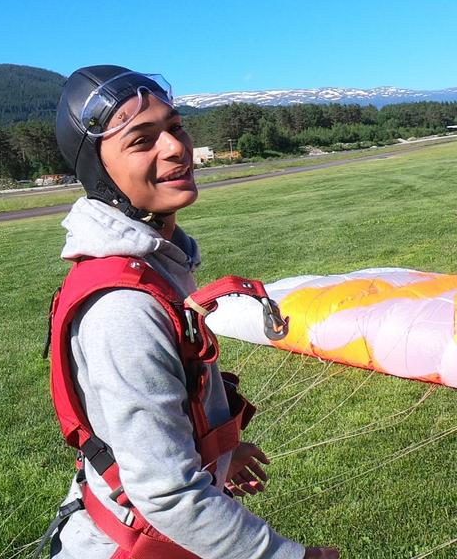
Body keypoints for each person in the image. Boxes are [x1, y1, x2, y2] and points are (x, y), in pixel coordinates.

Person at [46, 65, 339, 559]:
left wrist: (218, 452)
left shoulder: (155, 263)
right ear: (101, 172)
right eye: (141, 141)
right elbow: (167, 493)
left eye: (175, 127)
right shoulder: (124, 309)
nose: (176, 148)